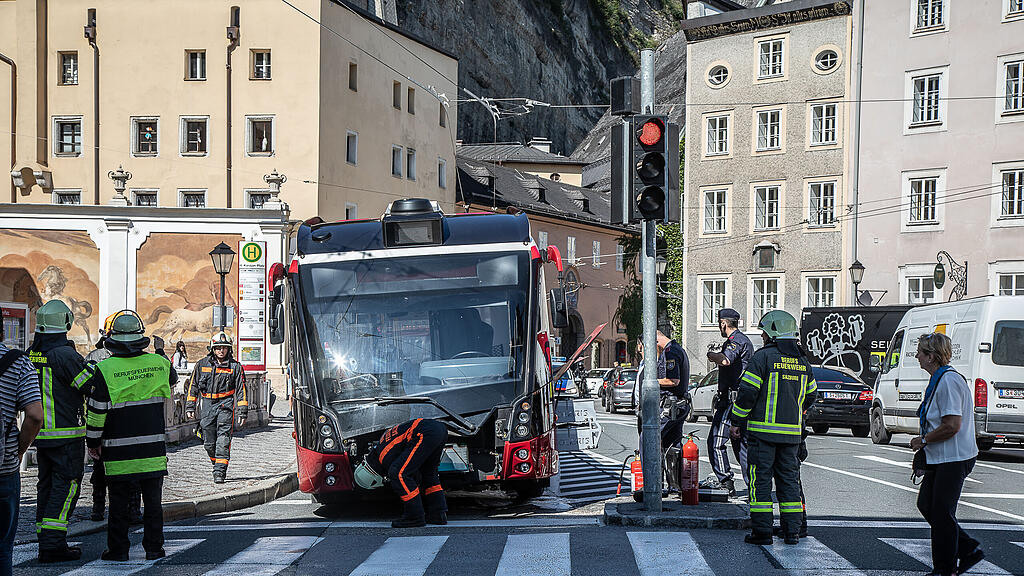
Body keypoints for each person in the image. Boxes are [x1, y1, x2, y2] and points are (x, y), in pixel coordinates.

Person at [72, 310, 173, 561]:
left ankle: (118, 550)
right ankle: (154, 548)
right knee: (152, 504)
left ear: (112, 338)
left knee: (117, 503)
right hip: (152, 451)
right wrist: (159, 352)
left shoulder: (104, 369)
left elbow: (96, 413)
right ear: (141, 337)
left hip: (118, 452)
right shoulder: (159, 364)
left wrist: (93, 442)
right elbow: (171, 378)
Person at [729, 310, 817, 546]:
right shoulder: (802, 360)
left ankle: (763, 532)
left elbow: (747, 393)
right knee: (789, 483)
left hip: (763, 434)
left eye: (764, 333)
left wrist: (736, 421)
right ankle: (791, 533)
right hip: (792, 437)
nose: (763, 337)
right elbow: (810, 396)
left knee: (761, 482)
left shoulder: (762, 358)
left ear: (771, 334)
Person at [910, 332, 984, 576]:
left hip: (955, 457)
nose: (917, 356)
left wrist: (923, 440)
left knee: (941, 511)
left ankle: (945, 568)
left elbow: (952, 425)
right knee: (927, 505)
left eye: (921, 352)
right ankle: (967, 547)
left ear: (931, 357)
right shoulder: (939, 379)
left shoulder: (949, 381)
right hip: (942, 456)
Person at [27, 301, 87, 563]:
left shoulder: (32, 353)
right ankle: (53, 544)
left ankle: (45, 538)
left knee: (47, 486)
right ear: (65, 323)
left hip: (40, 436)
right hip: (66, 435)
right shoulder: (65, 355)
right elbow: (90, 386)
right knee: (67, 486)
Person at [81, 313, 143, 524]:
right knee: (128, 469)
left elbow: (85, 387)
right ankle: (131, 511)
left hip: (106, 421)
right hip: (127, 421)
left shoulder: (93, 357)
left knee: (102, 469)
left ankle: (100, 510)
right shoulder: (134, 356)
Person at [0, 309, 43, 576]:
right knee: (2, 548)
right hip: (2, 469)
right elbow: (35, 415)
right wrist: (18, 451)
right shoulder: (17, 362)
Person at [353, 418, 449, 528]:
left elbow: (408, 475)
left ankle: (414, 516)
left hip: (424, 433)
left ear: (374, 476)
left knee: (398, 474)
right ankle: (437, 514)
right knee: (428, 473)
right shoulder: (381, 446)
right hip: (438, 429)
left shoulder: (384, 457)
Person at [184, 332, 247, 484]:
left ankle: (219, 471)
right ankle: (217, 462)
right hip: (207, 405)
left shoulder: (235, 367)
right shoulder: (201, 364)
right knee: (208, 442)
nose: (221, 351)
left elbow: (241, 390)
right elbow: (193, 387)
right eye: (218, 347)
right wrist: (190, 406)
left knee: (223, 438)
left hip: (225, 405)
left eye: (224, 348)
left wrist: (242, 412)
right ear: (212, 348)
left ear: (228, 349)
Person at [704, 308, 754, 498]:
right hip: (738, 399)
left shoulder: (736, 341)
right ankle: (753, 486)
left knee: (716, 442)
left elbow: (725, 361)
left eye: (720, 323)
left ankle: (725, 481)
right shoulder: (743, 341)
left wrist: (712, 355)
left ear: (723, 323)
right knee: (740, 444)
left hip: (732, 401)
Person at [656, 330, 690, 450]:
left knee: (650, 436)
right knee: (672, 444)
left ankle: (652, 468)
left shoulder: (671, 352)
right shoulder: (676, 348)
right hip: (676, 404)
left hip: (671, 405)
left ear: (656, 341)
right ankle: (674, 468)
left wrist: (651, 382)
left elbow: (672, 380)